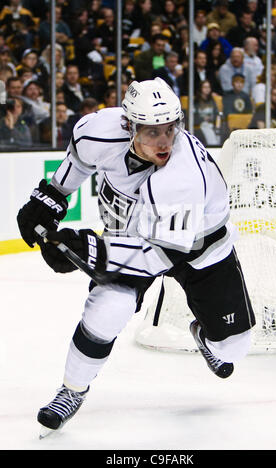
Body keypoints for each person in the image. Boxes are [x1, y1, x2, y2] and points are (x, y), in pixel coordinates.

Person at [17, 78, 256, 435]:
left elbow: (161, 254)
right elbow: (79, 161)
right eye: (151, 131)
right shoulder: (98, 130)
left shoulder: (182, 176)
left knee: (233, 349)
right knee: (105, 311)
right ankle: (71, 390)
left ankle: (207, 336)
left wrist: (90, 250)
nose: (164, 141)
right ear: (128, 125)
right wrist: (50, 197)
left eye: (170, 129)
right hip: (131, 235)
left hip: (202, 246)